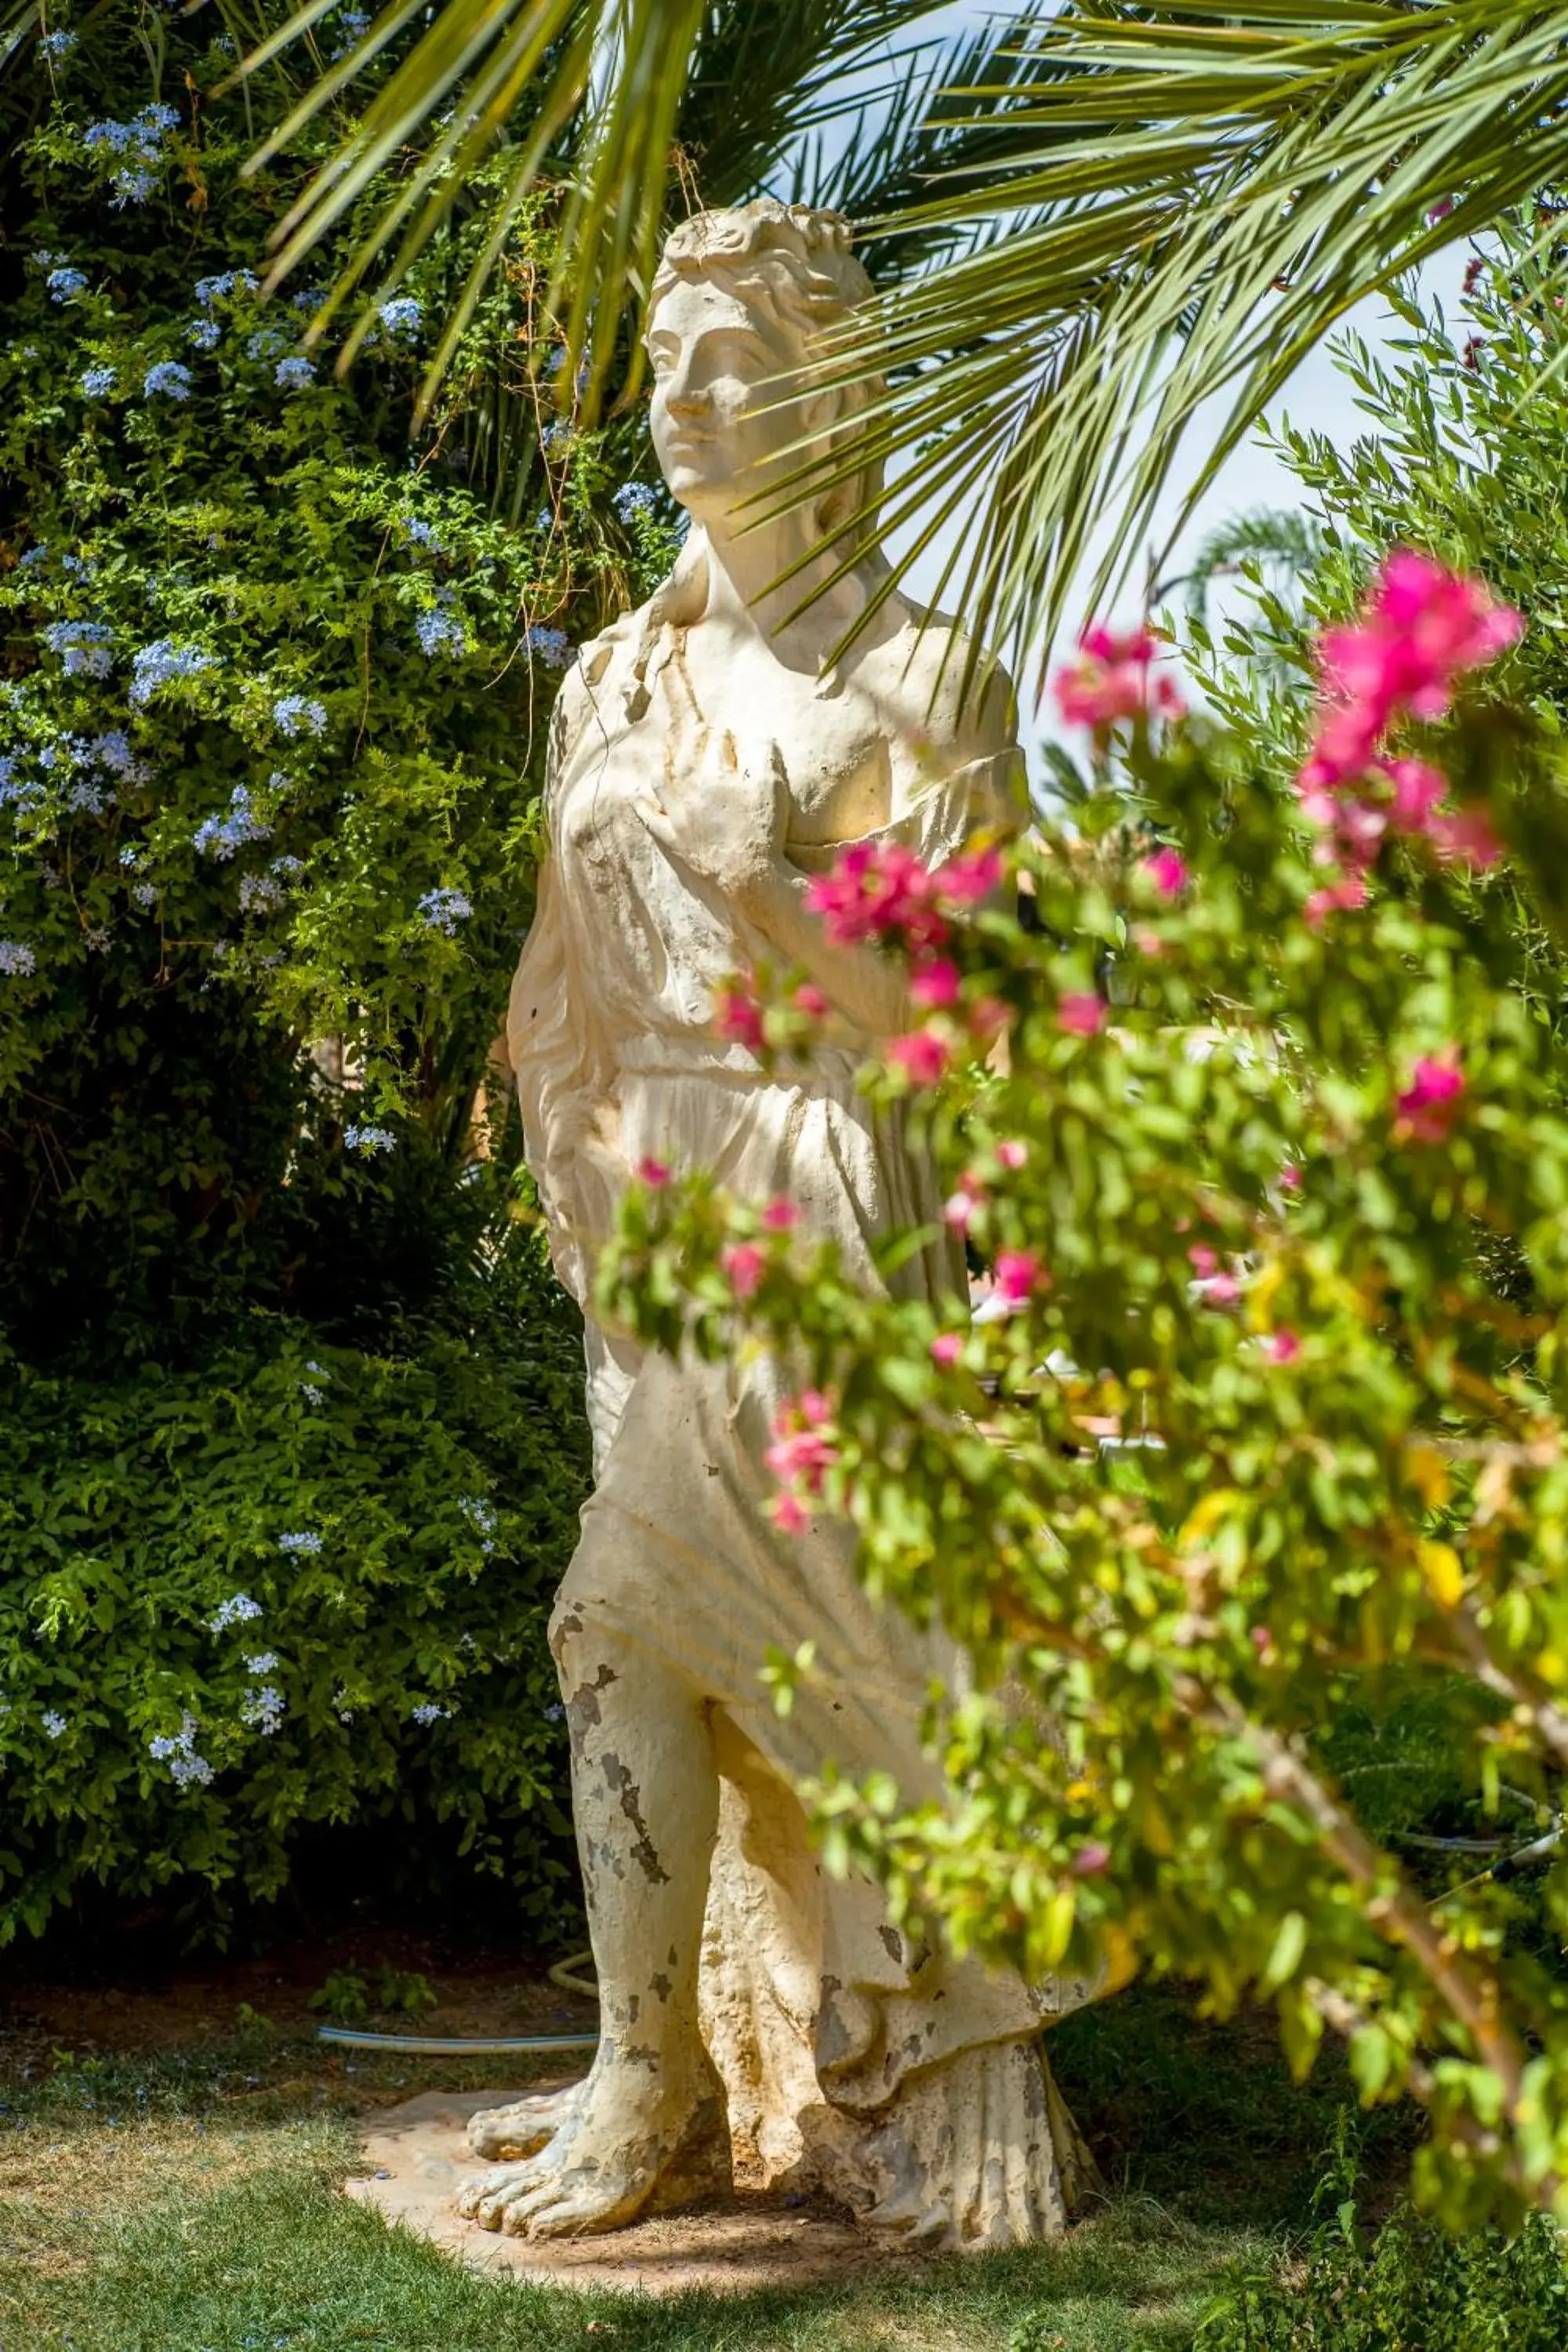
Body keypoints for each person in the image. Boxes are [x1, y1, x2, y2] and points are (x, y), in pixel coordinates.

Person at [458, 199, 1091, 2246]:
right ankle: (715, 2066)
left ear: (832, 396)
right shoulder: (623, 673)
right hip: (645, 1215)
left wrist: (773, 895)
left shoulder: (926, 677)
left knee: (672, 1629)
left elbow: (968, 1029)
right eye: (669, 362)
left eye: (736, 364)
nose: (689, 403)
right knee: (727, 1658)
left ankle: (724, 2084)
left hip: (819, 1200)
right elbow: (567, 964)